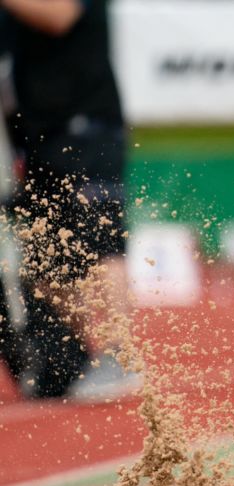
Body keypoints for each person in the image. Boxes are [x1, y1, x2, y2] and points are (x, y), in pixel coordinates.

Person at [1, 0, 138, 401]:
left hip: (85, 125)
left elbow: (60, 15)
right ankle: (72, 357)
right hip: (34, 136)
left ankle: (120, 356)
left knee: (100, 241)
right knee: (51, 256)